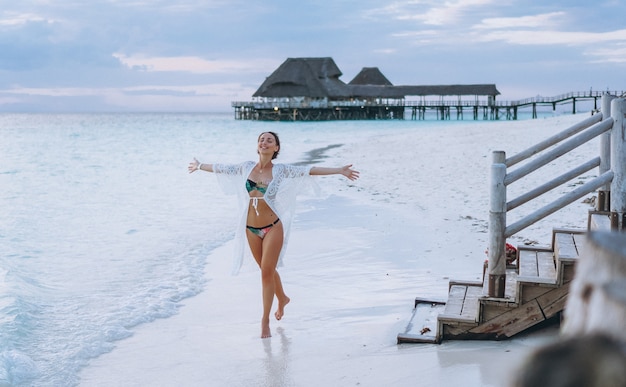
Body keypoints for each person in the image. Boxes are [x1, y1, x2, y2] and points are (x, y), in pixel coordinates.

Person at [188, 131, 359, 338]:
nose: (264, 142)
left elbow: (309, 170)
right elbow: (220, 168)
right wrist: (199, 165)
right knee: (265, 269)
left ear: (276, 148)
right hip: (250, 228)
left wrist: (339, 170)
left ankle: (264, 321)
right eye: (261, 139)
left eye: (270, 140)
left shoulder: (281, 170)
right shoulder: (245, 167)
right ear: (257, 146)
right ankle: (283, 298)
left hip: (273, 226)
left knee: (266, 272)